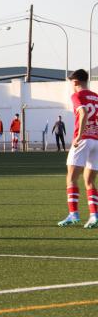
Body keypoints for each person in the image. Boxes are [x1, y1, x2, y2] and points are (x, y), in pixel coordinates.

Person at [58, 69, 98, 229]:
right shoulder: (96, 97)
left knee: (71, 178)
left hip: (83, 141)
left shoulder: (77, 96)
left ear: (75, 82)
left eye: (71, 83)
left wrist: (79, 136)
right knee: (89, 181)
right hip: (96, 141)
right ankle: (94, 216)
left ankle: (73, 214)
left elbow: (82, 113)